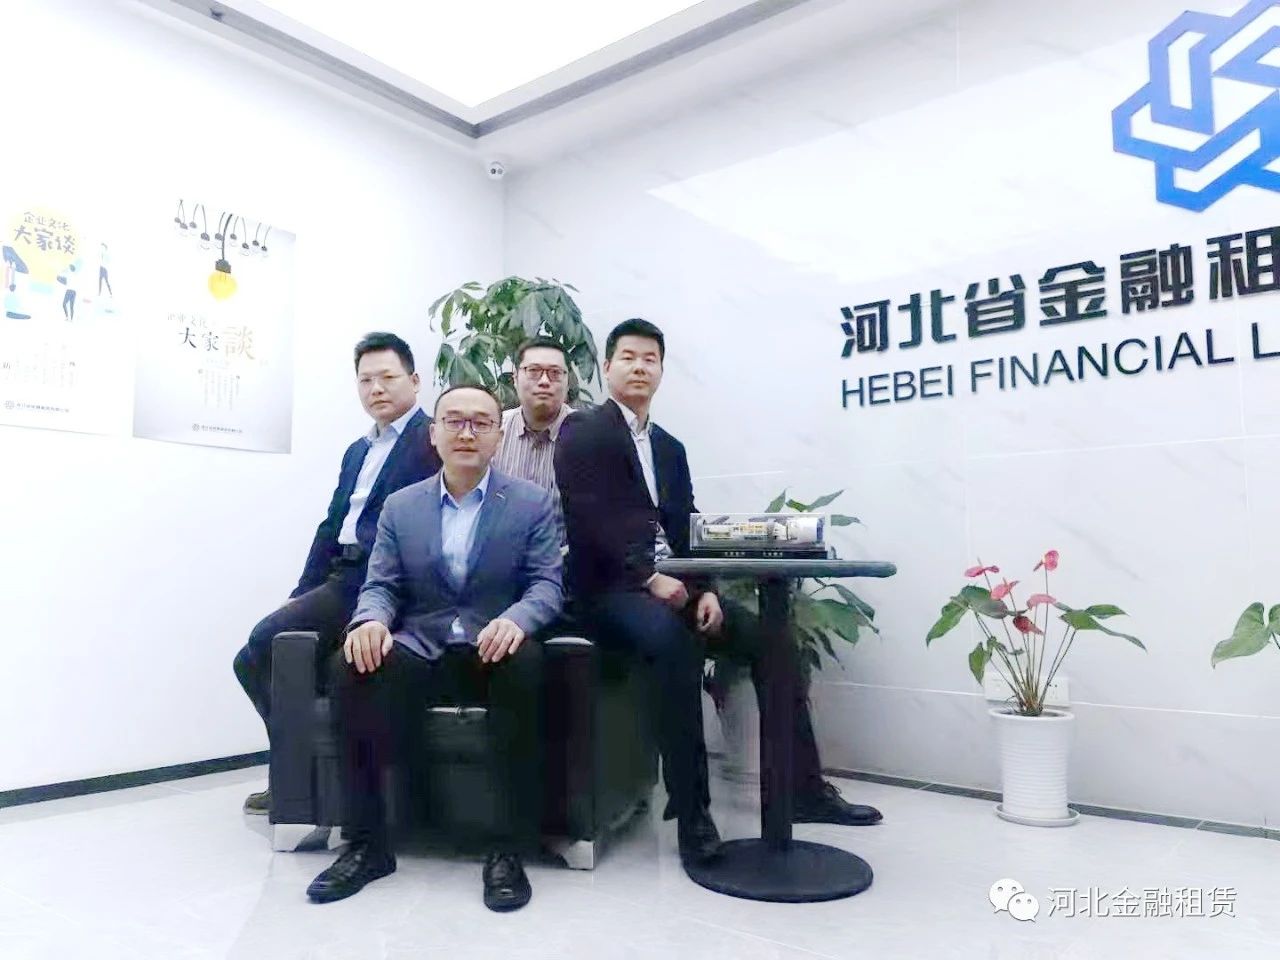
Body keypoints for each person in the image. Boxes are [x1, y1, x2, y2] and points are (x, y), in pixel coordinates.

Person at [554, 320, 882, 869]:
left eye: (650, 359)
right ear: (607, 367)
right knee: (674, 644)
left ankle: (803, 789)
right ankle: (692, 814)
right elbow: (589, 519)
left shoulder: (669, 447)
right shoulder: (584, 430)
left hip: (675, 584)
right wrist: (649, 578)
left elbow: (686, 525)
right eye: (628, 357)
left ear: (662, 370)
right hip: (609, 592)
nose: (639, 367)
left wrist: (703, 587)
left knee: (774, 641)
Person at [305, 385, 561, 911]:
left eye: (481, 423)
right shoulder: (402, 506)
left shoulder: (531, 502)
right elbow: (381, 584)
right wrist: (370, 621)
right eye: (454, 421)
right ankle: (367, 845)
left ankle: (506, 849)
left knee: (528, 665)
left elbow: (546, 584)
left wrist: (517, 619)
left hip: (494, 644)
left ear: (498, 435)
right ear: (433, 433)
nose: (467, 433)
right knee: (351, 666)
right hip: (422, 643)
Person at [232, 332, 441, 815]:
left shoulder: (430, 440)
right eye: (365, 380)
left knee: (264, 642)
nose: (376, 389)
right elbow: (332, 525)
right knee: (253, 660)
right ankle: (296, 773)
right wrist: (301, 590)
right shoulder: (357, 450)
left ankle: (298, 778)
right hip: (338, 574)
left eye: (387, 377)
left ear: (414, 381)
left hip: (378, 581)